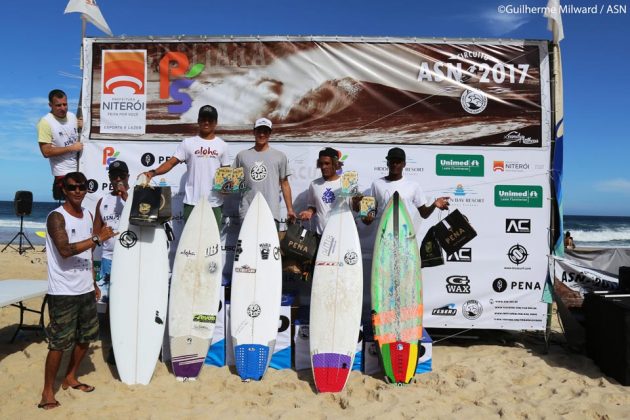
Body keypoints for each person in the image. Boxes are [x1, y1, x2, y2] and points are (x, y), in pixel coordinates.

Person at [39, 172, 116, 410]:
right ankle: (47, 392)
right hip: (63, 291)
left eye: (82, 187)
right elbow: (65, 249)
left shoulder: (87, 215)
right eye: (73, 187)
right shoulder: (56, 217)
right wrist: (97, 237)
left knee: (86, 337)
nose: (78, 191)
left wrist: (92, 282)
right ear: (64, 189)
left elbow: (87, 253)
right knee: (59, 343)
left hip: (84, 288)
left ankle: (71, 377)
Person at [142, 105, 229, 224]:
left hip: (214, 202)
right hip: (192, 202)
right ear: (198, 121)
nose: (206, 122)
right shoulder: (188, 143)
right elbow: (171, 163)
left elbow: (226, 172)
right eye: (203, 119)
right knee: (190, 242)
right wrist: (153, 172)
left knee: (213, 242)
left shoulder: (222, 145)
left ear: (216, 122)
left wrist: (227, 188)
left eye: (210, 119)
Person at [360, 147, 450, 225]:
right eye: (392, 161)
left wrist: (434, 205)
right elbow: (368, 220)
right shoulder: (377, 184)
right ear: (387, 163)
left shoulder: (413, 186)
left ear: (404, 164)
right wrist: (364, 213)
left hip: (406, 236)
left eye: (398, 162)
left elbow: (424, 214)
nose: (395, 164)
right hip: (383, 238)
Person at [233, 117, 296, 226]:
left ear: (270, 133)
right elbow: (233, 183)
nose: (262, 135)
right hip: (247, 211)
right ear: (254, 132)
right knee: (247, 243)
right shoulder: (242, 156)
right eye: (259, 131)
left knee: (270, 244)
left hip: (271, 212)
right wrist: (222, 185)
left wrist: (290, 210)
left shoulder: (280, 156)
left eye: (265, 131)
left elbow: (285, 184)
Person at [93, 160, 130, 303]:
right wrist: (100, 237)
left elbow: (145, 223)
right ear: (109, 178)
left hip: (130, 259)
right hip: (108, 259)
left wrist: (126, 197)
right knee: (109, 302)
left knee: (127, 300)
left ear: (128, 176)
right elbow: (94, 236)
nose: (118, 179)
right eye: (114, 176)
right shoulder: (103, 201)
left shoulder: (136, 196)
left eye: (121, 175)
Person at [37, 89, 83, 201]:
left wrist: (82, 125)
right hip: (62, 174)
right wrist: (71, 148)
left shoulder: (72, 116)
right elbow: (46, 152)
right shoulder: (45, 122)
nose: (63, 108)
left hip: (80, 170)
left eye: (65, 104)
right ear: (50, 105)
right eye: (58, 105)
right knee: (66, 211)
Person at [299, 147, 346, 234]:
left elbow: (355, 207)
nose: (323, 167)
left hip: (341, 235)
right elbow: (313, 206)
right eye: (321, 164)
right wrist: (309, 212)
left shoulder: (346, 184)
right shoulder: (314, 184)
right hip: (320, 234)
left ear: (335, 164)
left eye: (327, 163)